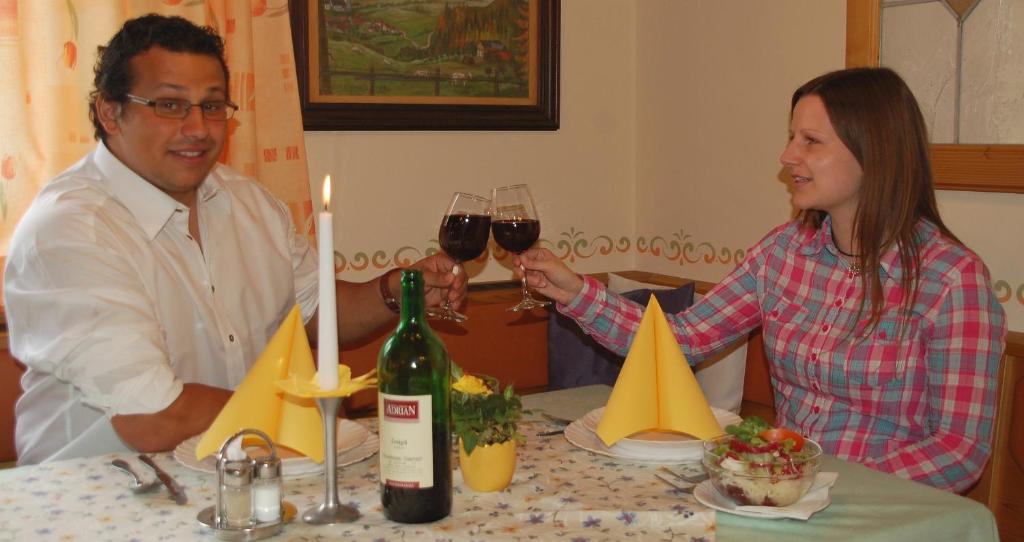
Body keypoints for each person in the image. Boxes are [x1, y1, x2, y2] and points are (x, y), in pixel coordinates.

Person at [517, 67, 1006, 493]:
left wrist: (827, 482)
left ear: (873, 152)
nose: (787, 156)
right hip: (778, 495)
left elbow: (958, 451)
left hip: (882, 511)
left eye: (810, 141)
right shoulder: (783, 252)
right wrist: (576, 292)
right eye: (792, 137)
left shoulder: (952, 281)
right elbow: (682, 339)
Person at [3, 14, 466, 465]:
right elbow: (154, 416)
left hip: (244, 476)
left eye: (211, 106)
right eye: (170, 105)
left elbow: (318, 311)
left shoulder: (248, 202)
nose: (197, 128)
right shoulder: (70, 231)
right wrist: (306, 416)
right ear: (110, 112)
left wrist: (399, 291)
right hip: (101, 491)